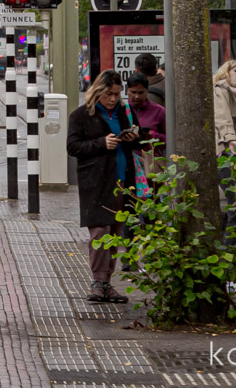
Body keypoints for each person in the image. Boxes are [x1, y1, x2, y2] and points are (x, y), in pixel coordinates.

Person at [67, 69, 144, 303]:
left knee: (115, 232)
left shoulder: (124, 112)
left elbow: (142, 136)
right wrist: (102, 143)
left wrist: (133, 139)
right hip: (96, 182)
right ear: (98, 92)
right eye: (109, 94)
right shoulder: (81, 115)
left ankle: (107, 283)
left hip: (123, 181)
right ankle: (98, 281)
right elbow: (73, 146)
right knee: (100, 232)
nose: (113, 99)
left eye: (117, 95)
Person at [125, 73, 166, 157]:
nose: (137, 96)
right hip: (128, 161)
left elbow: (171, 141)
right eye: (133, 92)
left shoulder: (159, 111)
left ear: (147, 91)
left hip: (152, 162)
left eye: (141, 93)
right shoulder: (120, 110)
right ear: (127, 90)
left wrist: (152, 136)